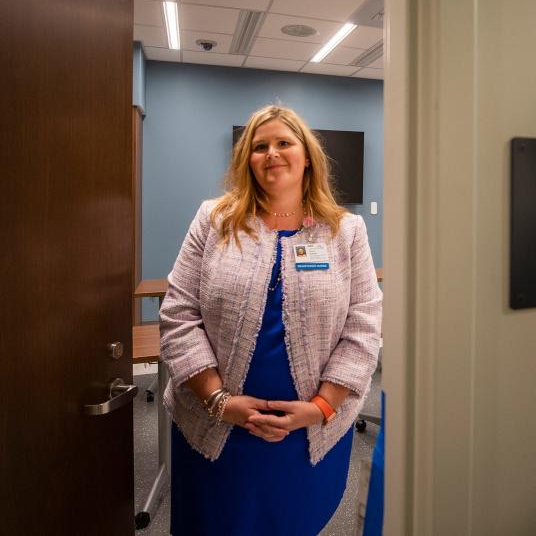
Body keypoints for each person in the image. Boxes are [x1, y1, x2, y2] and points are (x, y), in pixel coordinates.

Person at [160, 104, 382, 535]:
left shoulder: (346, 230)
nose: (272, 153)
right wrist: (219, 401)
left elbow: (364, 325)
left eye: (284, 142)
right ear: (247, 160)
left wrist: (321, 408)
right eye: (259, 146)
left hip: (307, 432)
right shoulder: (215, 220)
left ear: (307, 156)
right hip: (216, 428)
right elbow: (179, 313)